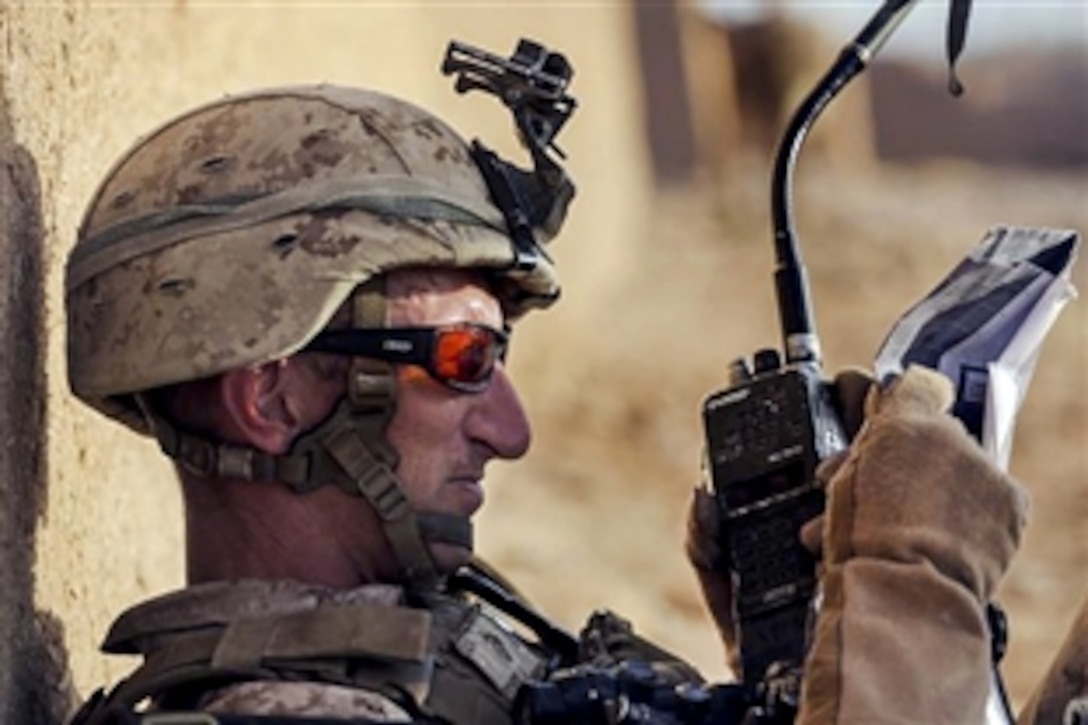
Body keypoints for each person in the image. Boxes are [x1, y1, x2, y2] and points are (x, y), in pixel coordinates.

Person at [63, 41, 1059, 725]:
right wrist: (912, 579)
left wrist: (796, 641)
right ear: (272, 394)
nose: (511, 427)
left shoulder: (427, 651)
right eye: (464, 362)